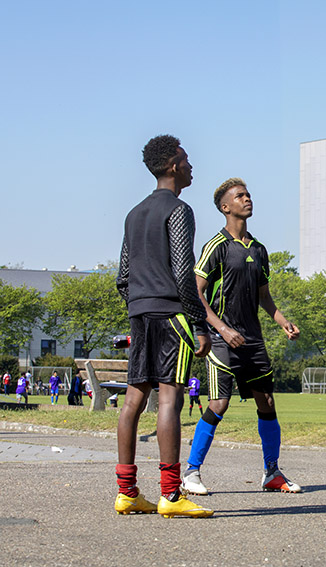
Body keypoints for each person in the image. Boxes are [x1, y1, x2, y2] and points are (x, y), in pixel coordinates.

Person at [182, 177, 301, 497]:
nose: (247, 199)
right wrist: (221, 328)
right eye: (240, 196)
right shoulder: (215, 246)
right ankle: (191, 472)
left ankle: (272, 472)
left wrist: (282, 321)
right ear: (225, 206)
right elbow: (194, 294)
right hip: (221, 340)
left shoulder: (260, 249)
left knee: (267, 402)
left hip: (253, 341)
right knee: (219, 403)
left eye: (248, 194)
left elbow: (265, 298)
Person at [114, 134, 213, 518]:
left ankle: (127, 492)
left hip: (139, 312)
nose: (191, 166)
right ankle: (171, 496)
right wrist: (198, 322)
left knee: (134, 399)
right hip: (171, 314)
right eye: (186, 160)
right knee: (170, 397)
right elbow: (182, 273)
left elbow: (123, 276)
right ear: (173, 165)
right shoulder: (179, 210)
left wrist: (139, 302)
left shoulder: (133, 213)